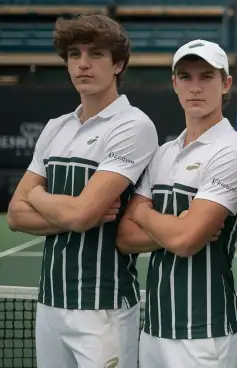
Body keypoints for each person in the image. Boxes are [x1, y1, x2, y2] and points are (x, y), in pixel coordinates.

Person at [5, 14, 158, 368]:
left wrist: (40, 199)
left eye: (96, 55)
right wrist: (73, 213)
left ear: (118, 63)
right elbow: (15, 214)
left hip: (103, 307)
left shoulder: (133, 125)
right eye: (75, 55)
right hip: (49, 304)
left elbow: (82, 214)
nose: (83, 65)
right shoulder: (56, 127)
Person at [115, 39, 237, 368]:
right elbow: (124, 237)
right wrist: (178, 226)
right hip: (155, 330)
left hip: (207, 332)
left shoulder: (233, 151)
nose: (195, 87)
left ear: (226, 83)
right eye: (186, 77)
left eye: (206, 76)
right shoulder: (163, 153)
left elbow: (187, 242)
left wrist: (146, 214)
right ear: (174, 84)